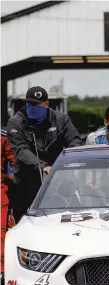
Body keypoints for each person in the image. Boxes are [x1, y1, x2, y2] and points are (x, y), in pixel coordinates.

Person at [7, 86, 82, 221]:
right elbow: (21, 150)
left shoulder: (61, 120)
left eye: (36, 104)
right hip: (26, 178)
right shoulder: (16, 122)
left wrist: (67, 165)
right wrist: (42, 166)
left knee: (61, 217)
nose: (32, 107)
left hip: (56, 178)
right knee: (20, 219)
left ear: (46, 104)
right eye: (29, 104)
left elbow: (74, 142)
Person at [1, 127, 15, 285]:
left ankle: (2, 269)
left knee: (1, 229)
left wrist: (10, 176)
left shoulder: (3, 137)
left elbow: (14, 161)